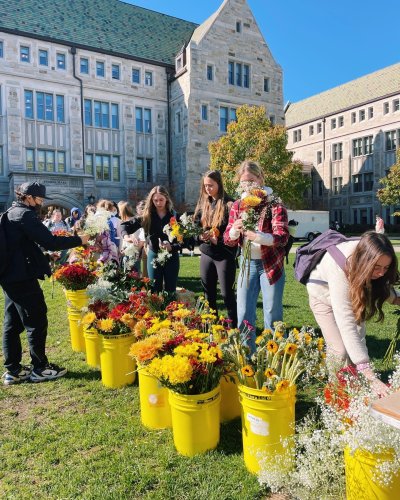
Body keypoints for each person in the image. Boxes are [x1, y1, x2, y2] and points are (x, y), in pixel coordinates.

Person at [0, 182, 90, 385]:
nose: (41, 202)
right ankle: (40, 368)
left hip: (10, 276)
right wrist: (79, 240)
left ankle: (13, 370)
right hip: (22, 278)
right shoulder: (25, 215)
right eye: (39, 198)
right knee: (36, 320)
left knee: (12, 323)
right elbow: (50, 241)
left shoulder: (10, 213)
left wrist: (44, 257)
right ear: (28, 197)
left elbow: (22, 247)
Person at [306, 231, 400, 397]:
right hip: (322, 294)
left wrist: (396, 299)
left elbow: (381, 284)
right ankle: (336, 394)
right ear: (365, 261)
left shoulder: (370, 255)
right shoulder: (340, 265)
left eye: (386, 268)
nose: (381, 273)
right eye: (377, 268)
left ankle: (354, 389)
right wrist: (369, 374)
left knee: (358, 340)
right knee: (339, 350)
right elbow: (346, 321)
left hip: (353, 288)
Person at [224, 160, 289, 350]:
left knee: (272, 312)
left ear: (260, 178)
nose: (249, 186)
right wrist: (235, 231)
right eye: (244, 182)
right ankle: (247, 354)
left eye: (252, 181)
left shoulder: (274, 203)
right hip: (247, 264)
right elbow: (227, 239)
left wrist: (259, 237)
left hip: (271, 264)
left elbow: (282, 237)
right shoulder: (238, 205)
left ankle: (275, 355)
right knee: (244, 311)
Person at [194, 170, 237, 327]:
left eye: (211, 185)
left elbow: (233, 233)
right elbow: (194, 228)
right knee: (208, 294)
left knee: (227, 295)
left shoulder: (230, 204)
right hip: (207, 254)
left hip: (224, 256)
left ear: (219, 184)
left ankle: (234, 328)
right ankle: (212, 327)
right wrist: (200, 236)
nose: (208, 189)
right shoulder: (203, 204)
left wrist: (217, 239)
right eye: (205, 186)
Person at [141, 186, 180, 296]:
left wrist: (172, 247)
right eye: (155, 200)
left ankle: (170, 312)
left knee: (170, 291)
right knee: (154, 291)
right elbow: (131, 226)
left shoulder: (174, 216)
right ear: (151, 201)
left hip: (171, 256)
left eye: (161, 199)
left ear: (166, 199)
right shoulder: (147, 216)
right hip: (154, 255)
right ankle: (156, 313)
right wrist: (125, 235)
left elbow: (182, 241)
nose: (158, 203)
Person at [119, 201, 145, 272]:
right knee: (137, 273)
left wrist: (131, 239)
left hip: (129, 252)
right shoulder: (138, 220)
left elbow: (125, 237)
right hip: (138, 251)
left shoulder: (124, 224)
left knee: (128, 275)